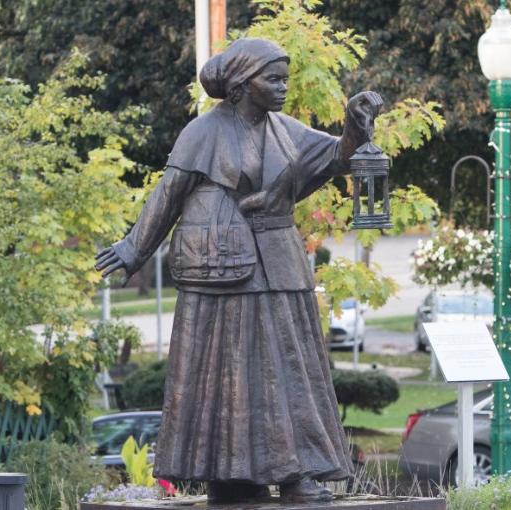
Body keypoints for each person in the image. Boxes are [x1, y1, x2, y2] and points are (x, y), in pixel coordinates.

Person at [94, 38, 383, 504]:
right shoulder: (202, 133)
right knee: (223, 377)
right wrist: (133, 248)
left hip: (280, 267)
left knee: (289, 372)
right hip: (221, 274)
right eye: (273, 79)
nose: (284, 87)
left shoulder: (286, 131)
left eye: (285, 78)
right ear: (241, 85)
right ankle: (226, 477)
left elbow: (337, 157)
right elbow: (169, 194)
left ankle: (296, 474)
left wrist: (355, 124)